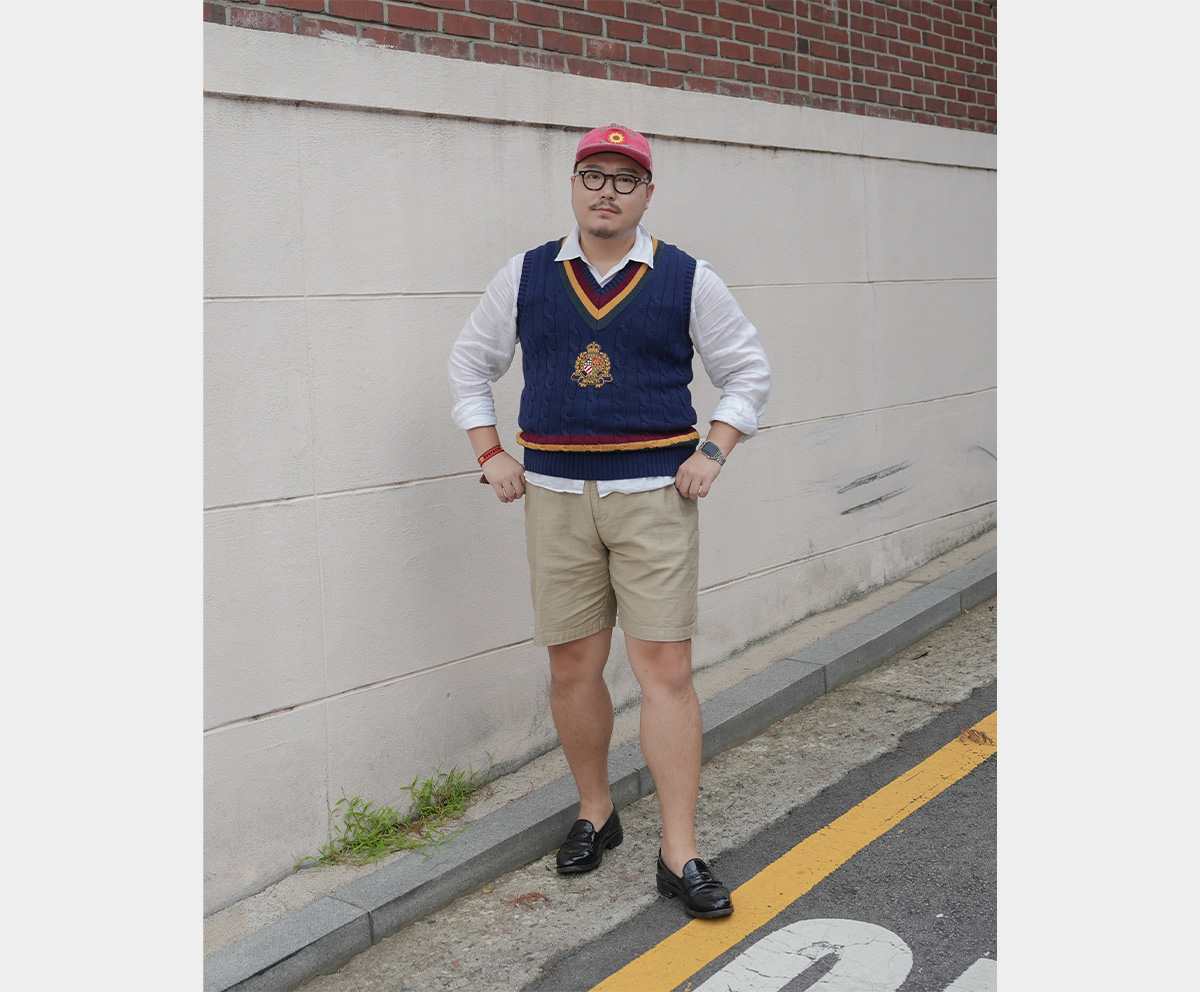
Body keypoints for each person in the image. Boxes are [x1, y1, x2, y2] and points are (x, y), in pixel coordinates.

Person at [447, 123, 771, 919]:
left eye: (625, 180)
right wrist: (491, 454)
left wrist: (713, 451)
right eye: (594, 174)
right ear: (573, 185)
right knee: (571, 668)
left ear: (647, 195)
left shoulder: (687, 278)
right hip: (554, 498)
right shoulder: (525, 275)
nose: (606, 191)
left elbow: (747, 372)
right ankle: (596, 810)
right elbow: (469, 364)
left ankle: (680, 850)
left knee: (665, 672)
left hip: (655, 498)